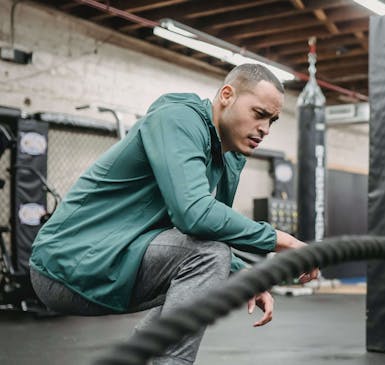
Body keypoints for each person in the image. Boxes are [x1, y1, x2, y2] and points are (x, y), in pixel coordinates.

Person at [29, 63, 319, 364]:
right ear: (227, 95)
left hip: (116, 259)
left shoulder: (229, 157)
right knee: (209, 256)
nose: (265, 129)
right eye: (259, 114)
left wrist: (246, 275)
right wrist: (281, 239)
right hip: (65, 263)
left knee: (208, 258)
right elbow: (194, 215)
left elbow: (198, 235)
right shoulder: (178, 119)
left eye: (272, 120)